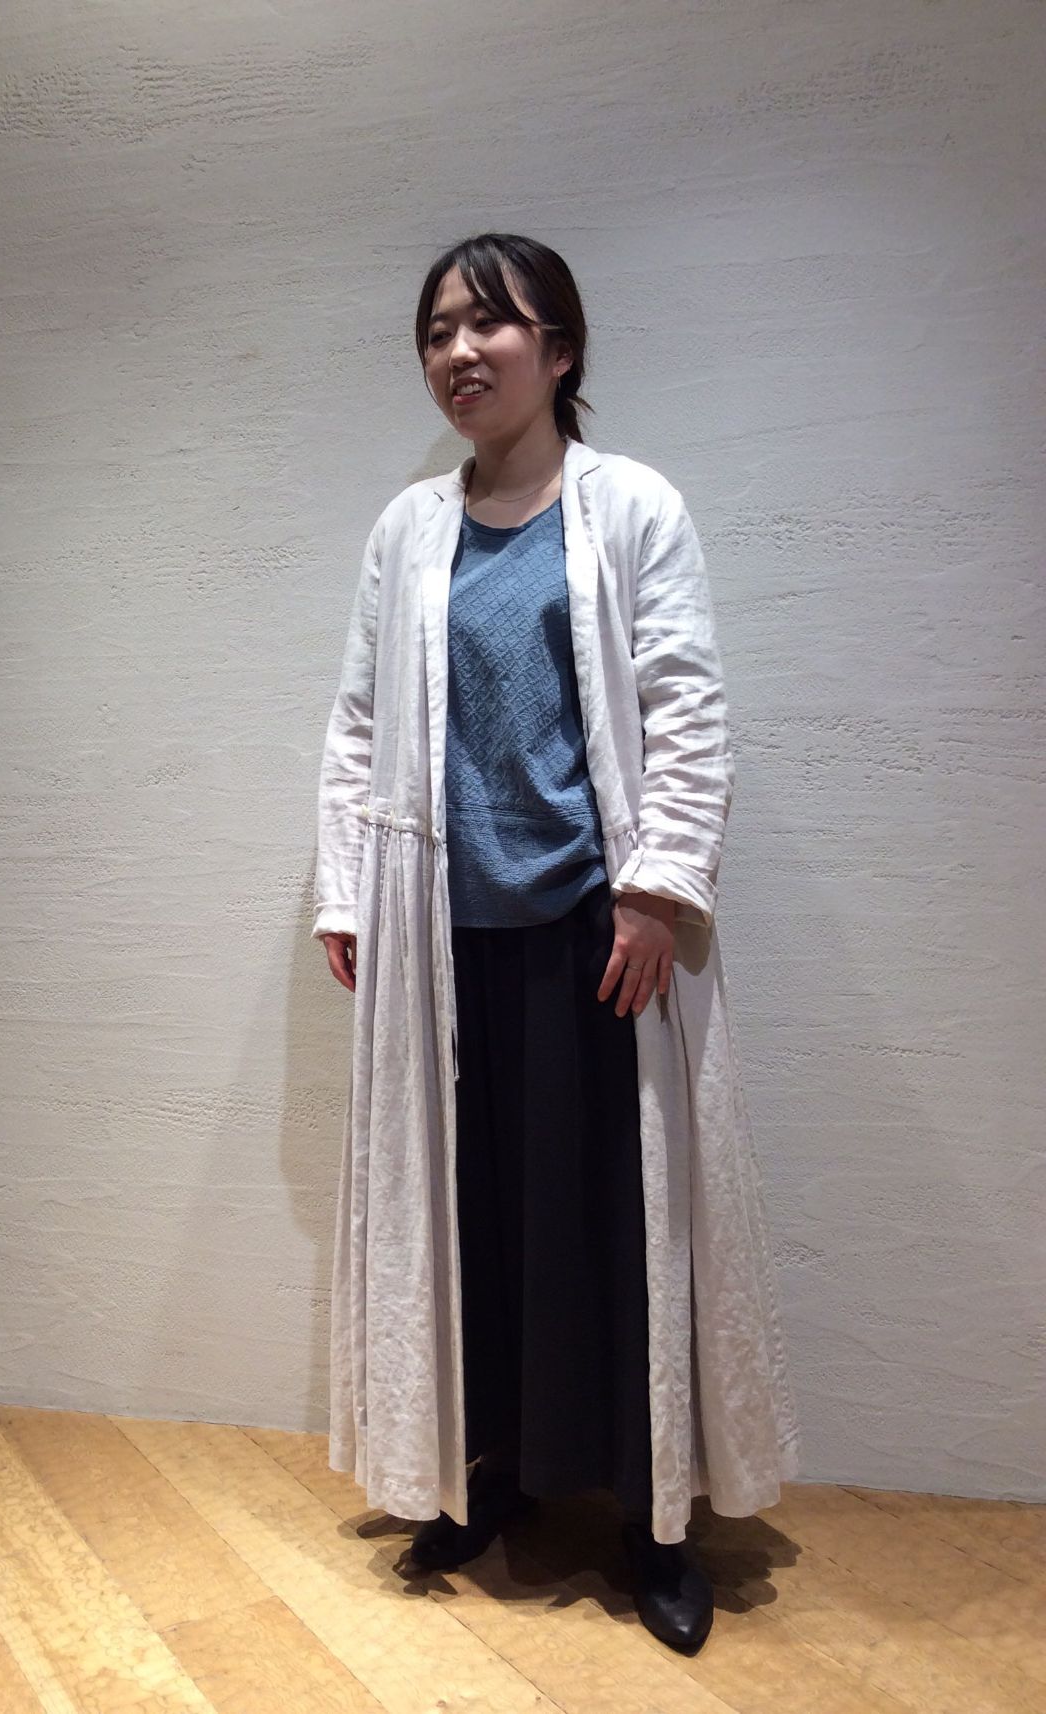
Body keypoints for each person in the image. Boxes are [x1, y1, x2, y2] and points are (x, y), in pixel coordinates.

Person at [312, 233, 800, 1656]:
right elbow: (358, 720)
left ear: (561, 349)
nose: (460, 351)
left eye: (492, 324)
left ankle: (656, 1524)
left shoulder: (631, 507)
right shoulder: (409, 530)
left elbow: (687, 701)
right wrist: (347, 892)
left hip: (599, 932)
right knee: (477, 1228)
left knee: (620, 1232)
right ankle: (491, 1480)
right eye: (438, 330)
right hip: (445, 945)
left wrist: (656, 890)